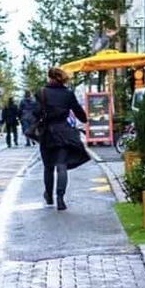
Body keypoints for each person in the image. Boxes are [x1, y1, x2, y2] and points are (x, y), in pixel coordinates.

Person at [37, 66, 90, 211]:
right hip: (64, 133)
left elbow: (36, 113)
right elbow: (81, 114)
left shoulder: (42, 93)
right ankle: (60, 198)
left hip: (47, 133)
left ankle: (49, 196)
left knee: (48, 167)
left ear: (50, 77)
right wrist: (83, 118)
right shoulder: (68, 94)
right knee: (61, 166)